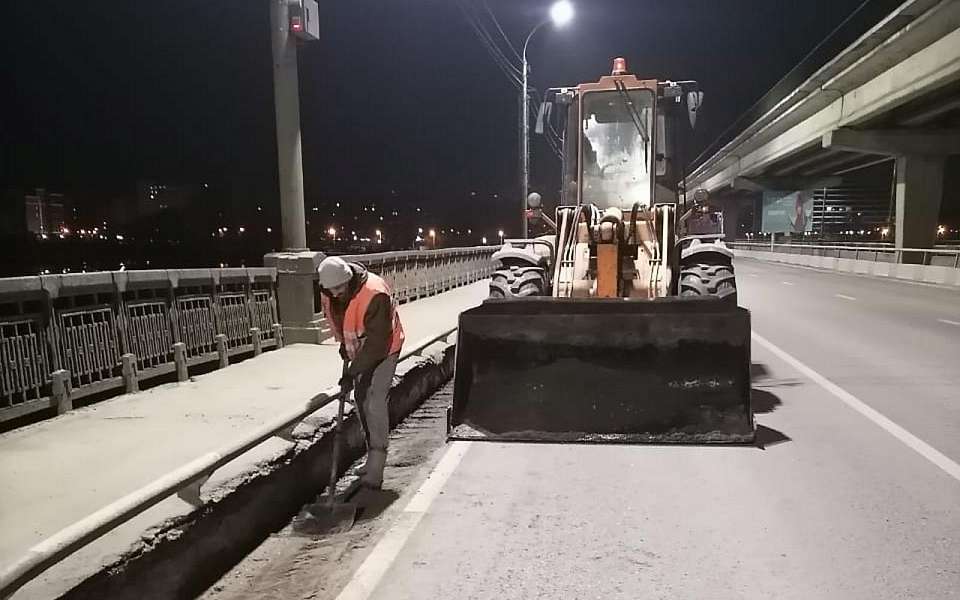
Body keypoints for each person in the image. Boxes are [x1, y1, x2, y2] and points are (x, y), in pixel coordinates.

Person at [317, 256, 404, 489]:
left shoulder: (375, 293)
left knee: (375, 400)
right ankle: (370, 456)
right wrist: (345, 346)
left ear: (349, 279)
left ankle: (377, 465)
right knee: (360, 398)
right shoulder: (328, 291)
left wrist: (351, 373)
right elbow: (340, 320)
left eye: (339, 288)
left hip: (386, 347)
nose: (335, 294)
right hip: (361, 349)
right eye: (330, 289)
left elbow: (378, 344)